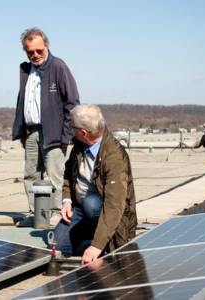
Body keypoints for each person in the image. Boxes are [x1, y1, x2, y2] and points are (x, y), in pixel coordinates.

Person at [12, 27, 80, 227]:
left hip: (53, 132)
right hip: (31, 131)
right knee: (31, 173)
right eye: (30, 51)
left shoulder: (58, 66)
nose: (35, 55)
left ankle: (56, 212)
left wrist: (66, 136)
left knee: (53, 175)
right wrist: (22, 131)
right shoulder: (26, 70)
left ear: (46, 46)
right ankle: (36, 213)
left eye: (39, 50)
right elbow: (23, 101)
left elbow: (72, 103)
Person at [54, 104, 137, 264]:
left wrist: (96, 246)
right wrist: (67, 200)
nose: (70, 129)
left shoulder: (114, 157)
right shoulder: (79, 145)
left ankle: (101, 238)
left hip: (107, 213)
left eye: (72, 127)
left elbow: (114, 206)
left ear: (83, 132)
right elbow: (68, 173)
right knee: (57, 246)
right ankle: (91, 236)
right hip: (79, 210)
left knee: (91, 204)